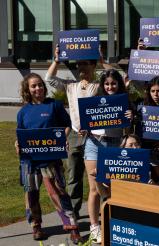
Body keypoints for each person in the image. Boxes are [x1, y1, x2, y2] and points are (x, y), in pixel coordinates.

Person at [45, 45, 113, 218]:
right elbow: (49, 78)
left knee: (98, 174)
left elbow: (118, 78)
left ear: (92, 66)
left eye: (84, 64)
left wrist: (102, 62)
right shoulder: (70, 86)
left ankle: (104, 209)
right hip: (76, 134)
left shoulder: (100, 86)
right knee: (73, 174)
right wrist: (56, 60)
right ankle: (74, 211)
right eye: (78, 64)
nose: (81, 67)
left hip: (96, 135)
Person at [15, 73, 82, 244]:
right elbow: (21, 135)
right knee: (31, 194)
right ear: (27, 90)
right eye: (33, 86)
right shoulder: (23, 112)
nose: (38, 88)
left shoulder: (54, 105)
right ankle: (36, 226)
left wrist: (62, 140)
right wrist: (17, 144)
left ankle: (72, 227)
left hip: (51, 158)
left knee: (59, 192)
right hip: (29, 161)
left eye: (40, 85)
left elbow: (66, 125)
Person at [84, 69, 132, 244]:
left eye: (113, 83)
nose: (110, 86)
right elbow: (86, 124)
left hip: (115, 144)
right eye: (106, 84)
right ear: (102, 85)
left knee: (113, 188)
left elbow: (128, 132)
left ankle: (113, 224)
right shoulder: (94, 102)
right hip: (94, 145)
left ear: (118, 84)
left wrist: (130, 118)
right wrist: (84, 127)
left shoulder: (124, 102)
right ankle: (94, 227)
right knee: (95, 189)